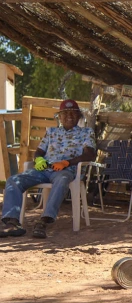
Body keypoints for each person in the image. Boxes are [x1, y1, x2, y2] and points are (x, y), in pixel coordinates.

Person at [0, 99, 96, 239]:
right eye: (65, 113)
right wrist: (38, 159)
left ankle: (44, 221)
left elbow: (90, 154)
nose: (69, 116)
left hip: (66, 170)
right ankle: (12, 222)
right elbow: (39, 151)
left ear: (79, 117)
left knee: (62, 179)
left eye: (73, 113)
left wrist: (66, 163)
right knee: (14, 180)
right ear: (60, 117)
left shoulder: (86, 132)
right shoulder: (51, 132)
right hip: (44, 170)